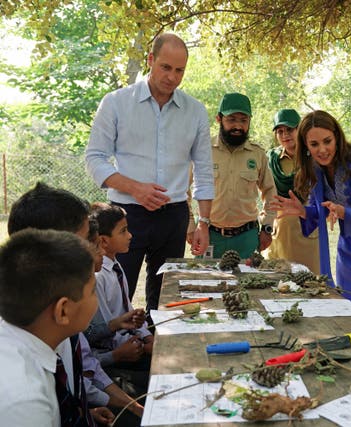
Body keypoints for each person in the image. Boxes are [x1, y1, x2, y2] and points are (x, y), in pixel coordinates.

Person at [85, 32, 215, 311]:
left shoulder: (195, 111)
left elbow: (204, 170)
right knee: (118, 294)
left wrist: (204, 221)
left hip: (174, 217)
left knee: (167, 298)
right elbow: (95, 158)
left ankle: (158, 349)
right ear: (150, 60)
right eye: (165, 67)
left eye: (179, 70)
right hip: (125, 216)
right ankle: (118, 353)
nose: (172, 77)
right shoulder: (116, 102)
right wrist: (136, 188)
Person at [8, 182, 141, 424]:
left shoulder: (57, 329)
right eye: (86, 243)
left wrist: (83, 412)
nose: (96, 251)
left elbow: (81, 376)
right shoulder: (22, 398)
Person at [271, 110, 351, 306]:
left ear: (337, 138)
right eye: (314, 144)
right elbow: (318, 211)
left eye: (327, 141)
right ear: (306, 146)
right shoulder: (315, 169)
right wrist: (302, 211)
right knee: (347, 306)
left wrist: (342, 212)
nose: (322, 150)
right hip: (347, 251)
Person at [187, 92, 276, 259]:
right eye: (231, 119)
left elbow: (270, 192)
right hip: (209, 235)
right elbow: (183, 190)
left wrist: (267, 227)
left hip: (247, 238)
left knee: (249, 284)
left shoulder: (257, 154)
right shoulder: (203, 150)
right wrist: (191, 226)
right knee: (205, 282)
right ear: (219, 119)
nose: (238, 126)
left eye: (243, 120)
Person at [88, 203, 152, 397]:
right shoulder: (98, 277)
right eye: (123, 231)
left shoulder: (115, 266)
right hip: (118, 351)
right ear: (104, 241)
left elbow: (127, 312)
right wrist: (141, 345)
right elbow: (108, 331)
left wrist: (147, 336)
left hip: (129, 341)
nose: (130, 235)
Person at [265, 108, 320, 273]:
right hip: (277, 230)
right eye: (280, 131)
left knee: (307, 284)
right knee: (275, 284)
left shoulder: (313, 159)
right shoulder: (270, 159)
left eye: (290, 129)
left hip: (304, 230)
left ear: (300, 129)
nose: (285, 135)